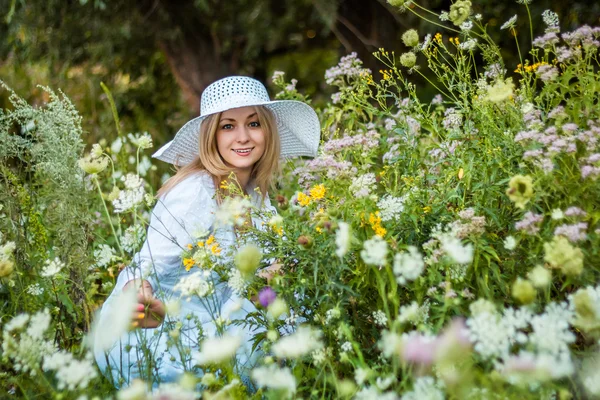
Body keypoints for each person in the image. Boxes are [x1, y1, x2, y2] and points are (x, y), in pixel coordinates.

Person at [93, 76, 320, 389]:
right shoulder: (196, 192)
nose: (242, 137)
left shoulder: (255, 192)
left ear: (268, 130)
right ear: (212, 136)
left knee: (301, 298)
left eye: (253, 124)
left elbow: (258, 276)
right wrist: (140, 299)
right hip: (161, 338)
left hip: (213, 322)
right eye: (228, 126)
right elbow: (143, 267)